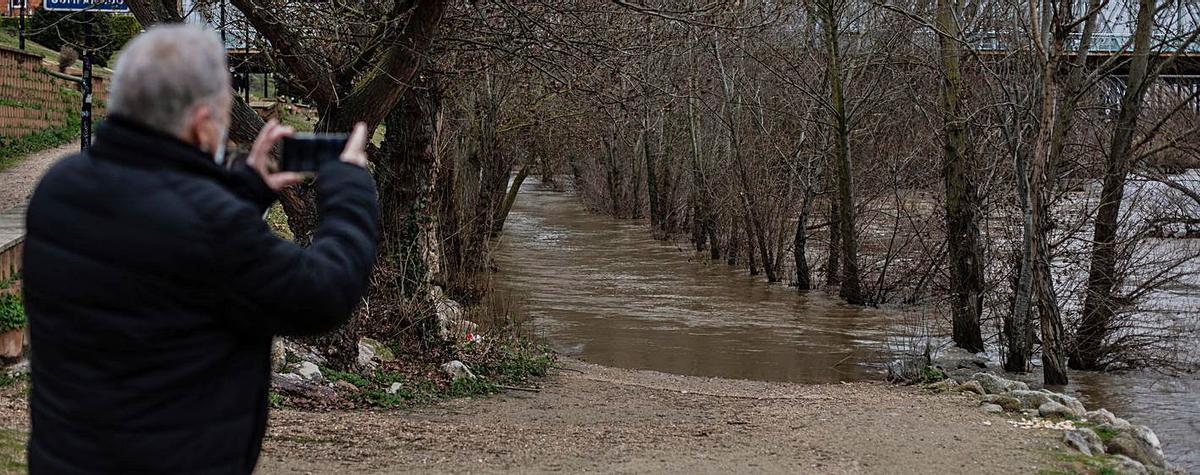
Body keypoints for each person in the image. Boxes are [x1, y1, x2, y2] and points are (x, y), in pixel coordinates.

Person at [21, 25, 379, 473]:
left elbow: (160, 254)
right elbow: (325, 293)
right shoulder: (212, 228)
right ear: (200, 122)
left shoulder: (60, 188)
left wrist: (244, 189)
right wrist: (351, 188)